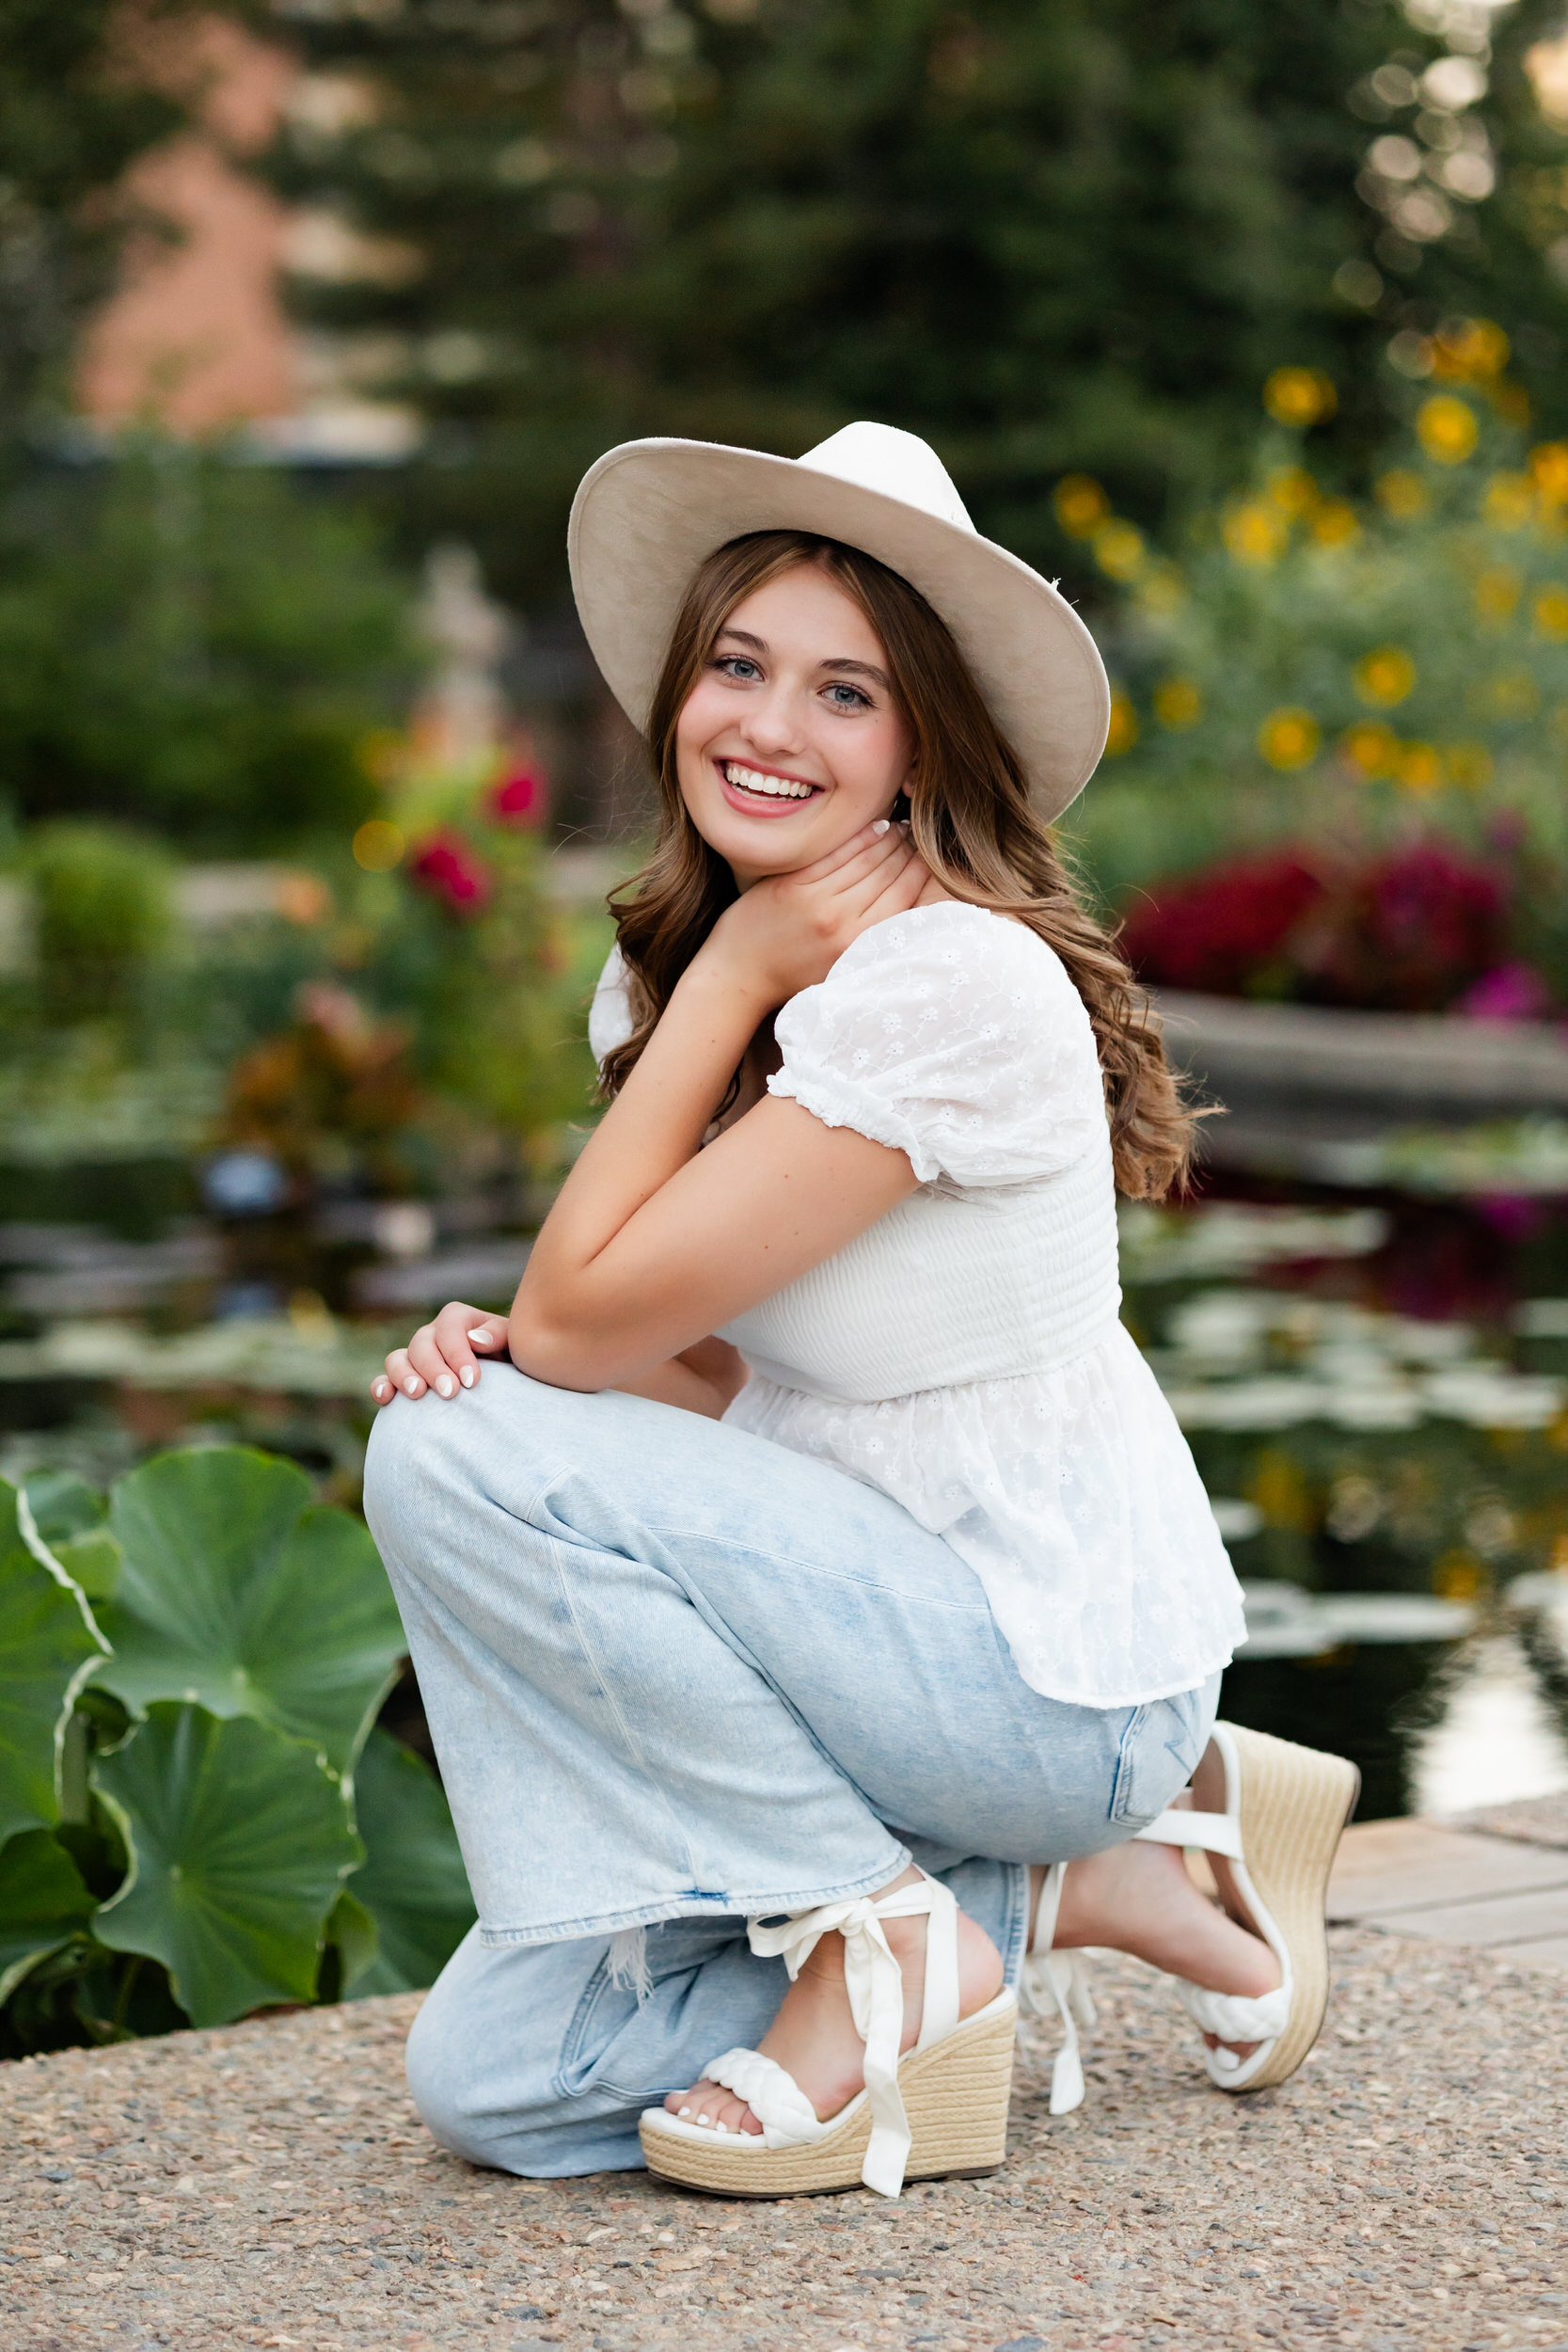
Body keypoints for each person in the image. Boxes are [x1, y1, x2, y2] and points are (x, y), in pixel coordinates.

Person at [362, 421, 1358, 2201]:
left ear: (921, 749)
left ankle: (900, 1930)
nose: (768, 725)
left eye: (846, 693)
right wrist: (516, 1362)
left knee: (442, 1457)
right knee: (497, 2082)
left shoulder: (944, 979)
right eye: (739, 667)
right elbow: (717, 1366)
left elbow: (588, 1328)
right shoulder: (685, 968)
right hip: (870, 1652)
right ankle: (1053, 1890)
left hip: (1040, 1676)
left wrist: (541, 1372)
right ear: (679, 689)